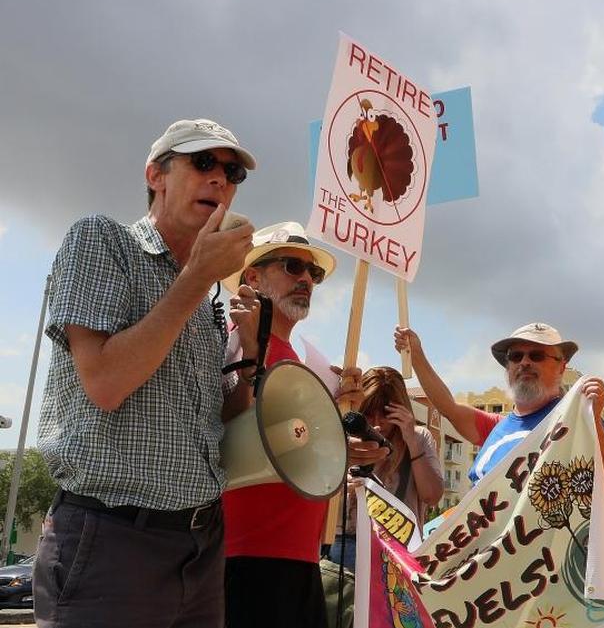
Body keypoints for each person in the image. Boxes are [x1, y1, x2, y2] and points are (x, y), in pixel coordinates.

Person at [33, 118, 258, 628]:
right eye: (202, 163)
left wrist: (249, 352)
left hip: (199, 544)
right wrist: (198, 276)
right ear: (155, 174)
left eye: (231, 172)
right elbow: (106, 384)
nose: (220, 180)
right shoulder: (101, 239)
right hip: (112, 539)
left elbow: (217, 418)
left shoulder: (200, 300)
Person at [219, 222, 387, 628]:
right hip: (243, 551)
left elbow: (306, 449)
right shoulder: (229, 342)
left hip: (300, 554)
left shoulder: (312, 366)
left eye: (314, 274)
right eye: (293, 266)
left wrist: (350, 439)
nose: (307, 280)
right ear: (253, 276)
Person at [394, 322, 604, 502]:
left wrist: (594, 421)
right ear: (508, 368)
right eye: (516, 356)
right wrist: (416, 355)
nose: (524, 362)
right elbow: (448, 407)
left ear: (561, 366)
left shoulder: (580, 421)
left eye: (536, 355)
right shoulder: (497, 428)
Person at [328, 365, 445, 570]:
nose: (376, 423)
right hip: (344, 544)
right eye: (369, 413)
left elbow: (432, 496)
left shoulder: (418, 437)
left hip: (398, 550)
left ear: (401, 409)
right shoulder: (345, 435)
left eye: (385, 413)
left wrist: (411, 440)